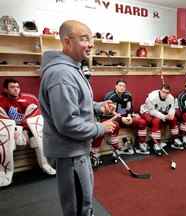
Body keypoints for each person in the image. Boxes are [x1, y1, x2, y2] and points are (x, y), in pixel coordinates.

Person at [39, 20, 116, 216]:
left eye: (91, 39)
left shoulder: (72, 68)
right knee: (78, 206)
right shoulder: (62, 74)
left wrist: (98, 107)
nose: (90, 44)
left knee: (83, 200)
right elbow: (67, 123)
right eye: (84, 39)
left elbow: (77, 104)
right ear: (67, 42)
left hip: (76, 151)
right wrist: (101, 128)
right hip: (70, 153)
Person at [0, 78, 56, 187]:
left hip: (27, 128)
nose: (16, 89)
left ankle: (45, 164)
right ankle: (4, 171)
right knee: (3, 137)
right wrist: (15, 130)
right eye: (12, 87)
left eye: (17, 87)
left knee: (38, 136)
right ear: (6, 89)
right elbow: (2, 121)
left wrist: (25, 129)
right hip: (11, 130)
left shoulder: (29, 98)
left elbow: (36, 117)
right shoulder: (1, 100)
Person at [103, 80, 149, 155]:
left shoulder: (128, 95)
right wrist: (121, 118)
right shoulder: (110, 96)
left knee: (142, 122)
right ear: (116, 86)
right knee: (114, 125)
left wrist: (129, 116)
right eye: (120, 85)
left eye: (124, 86)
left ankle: (141, 144)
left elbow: (129, 108)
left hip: (126, 117)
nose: (122, 88)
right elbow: (110, 112)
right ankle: (116, 148)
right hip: (114, 117)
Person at [140, 83, 183, 156]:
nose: (165, 94)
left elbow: (172, 108)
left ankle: (175, 139)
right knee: (156, 121)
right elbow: (152, 111)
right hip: (147, 111)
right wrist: (163, 116)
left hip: (161, 112)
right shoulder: (152, 96)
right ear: (160, 91)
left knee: (174, 119)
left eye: (167, 92)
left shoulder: (171, 98)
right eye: (163, 92)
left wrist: (171, 114)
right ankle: (156, 143)